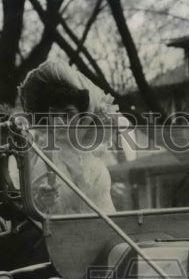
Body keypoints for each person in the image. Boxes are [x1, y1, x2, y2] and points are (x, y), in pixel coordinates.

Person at [18, 61, 118, 216]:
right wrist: (39, 202)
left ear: (82, 117)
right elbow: (28, 217)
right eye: (53, 115)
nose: (59, 122)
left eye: (68, 114)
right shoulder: (39, 161)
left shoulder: (96, 167)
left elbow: (109, 216)